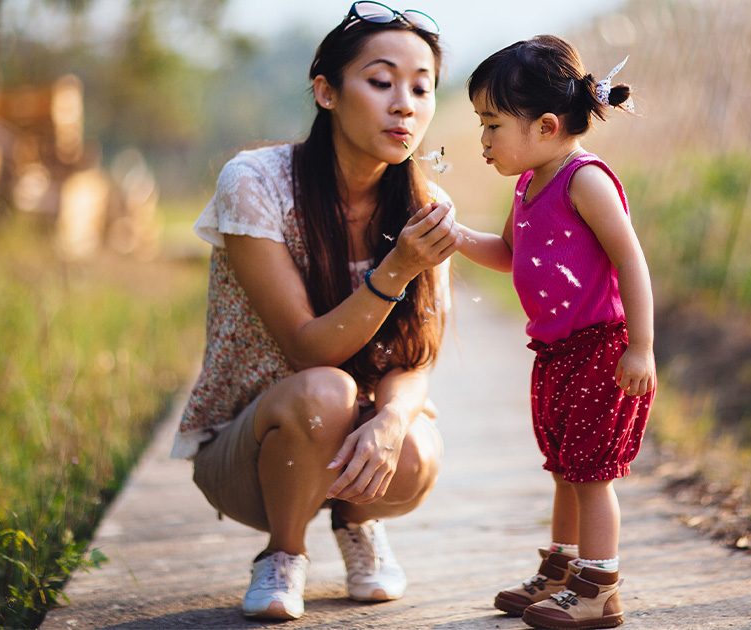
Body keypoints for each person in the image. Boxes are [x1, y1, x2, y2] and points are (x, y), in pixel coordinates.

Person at [169, 1, 460, 621]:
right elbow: (307, 348)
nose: (404, 104)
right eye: (380, 82)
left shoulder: (426, 204)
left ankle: (358, 525)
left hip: (351, 448)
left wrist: (388, 422)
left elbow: (419, 356)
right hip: (249, 449)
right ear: (326, 92)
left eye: (420, 88)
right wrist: (396, 269)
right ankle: (284, 552)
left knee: (414, 442)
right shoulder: (256, 181)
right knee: (325, 387)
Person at [455, 35, 657, 629]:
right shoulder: (527, 185)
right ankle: (563, 570)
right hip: (557, 353)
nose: (483, 140)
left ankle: (598, 585)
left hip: (602, 350)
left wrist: (641, 346)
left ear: (545, 125)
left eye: (492, 124)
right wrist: (452, 233)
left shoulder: (583, 181)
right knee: (566, 469)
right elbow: (506, 252)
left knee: (591, 475)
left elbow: (631, 261)